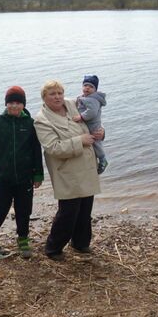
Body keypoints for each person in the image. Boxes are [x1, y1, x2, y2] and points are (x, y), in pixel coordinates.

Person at [33, 80, 102, 261]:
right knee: (68, 212)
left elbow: (92, 120)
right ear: (44, 97)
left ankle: (80, 243)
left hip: (86, 167)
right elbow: (53, 148)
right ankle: (53, 248)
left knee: (85, 208)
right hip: (67, 171)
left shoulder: (72, 104)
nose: (57, 97)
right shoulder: (41, 120)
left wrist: (101, 132)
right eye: (52, 94)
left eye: (59, 93)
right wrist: (80, 141)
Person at [0, 86, 44, 259]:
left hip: (25, 178)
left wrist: (38, 174)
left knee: (24, 210)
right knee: (0, 209)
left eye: (18, 103)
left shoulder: (30, 124)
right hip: (3, 178)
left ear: (23, 105)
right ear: (6, 104)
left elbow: (36, 151)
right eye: (11, 103)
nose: (14, 106)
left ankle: (23, 240)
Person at [73, 74, 108, 174]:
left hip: (93, 125)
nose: (87, 88)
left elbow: (92, 112)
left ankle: (102, 159)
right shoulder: (83, 98)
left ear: (95, 90)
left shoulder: (93, 99)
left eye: (91, 86)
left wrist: (81, 117)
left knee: (96, 143)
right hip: (89, 126)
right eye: (85, 86)